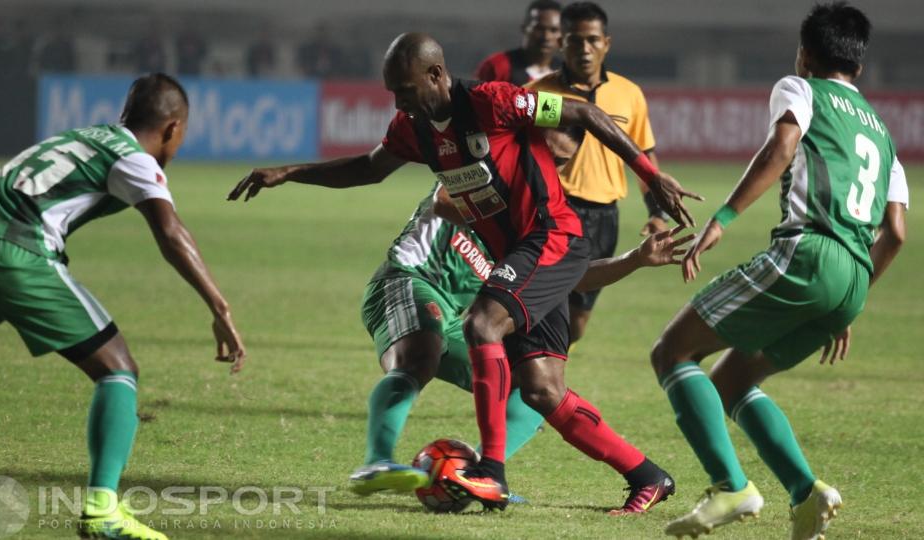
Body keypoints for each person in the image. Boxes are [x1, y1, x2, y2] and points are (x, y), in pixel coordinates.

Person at [229, 32, 700, 511]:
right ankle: (648, 475)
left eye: (405, 91)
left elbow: (584, 112)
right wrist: (290, 172)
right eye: (393, 92)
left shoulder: (492, 102)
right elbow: (369, 168)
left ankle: (490, 471)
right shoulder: (414, 128)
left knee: (481, 323)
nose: (399, 102)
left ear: (436, 74)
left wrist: (650, 174)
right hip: (527, 257)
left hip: (551, 235)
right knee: (541, 390)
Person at [648, 4, 907, 539]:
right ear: (857, 65)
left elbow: (782, 145)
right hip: (854, 279)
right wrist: (846, 299)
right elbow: (897, 232)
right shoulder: (884, 135)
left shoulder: (801, 88)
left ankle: (730, 487)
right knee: (734, 379)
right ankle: (806, 492)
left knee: (673, 351)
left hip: (808, 253)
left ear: (805, 53)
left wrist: (722, 217)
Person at [0, 73, 246, 540]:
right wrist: (220, 307)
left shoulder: (80, 137)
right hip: (19, 253)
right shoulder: (133, 157)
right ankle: (102, 511)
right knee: (118, 369)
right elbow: (171, 232)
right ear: (173, 128)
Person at [348, 184, 693, 515]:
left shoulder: (532, 229)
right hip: (408, 281)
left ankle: (483, 475)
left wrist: (634, 259)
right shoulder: (484, 180)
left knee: (529, 389)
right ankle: (377, 460)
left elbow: (573, 276)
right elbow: (442, 198)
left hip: (454, 319)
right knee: (419, 357)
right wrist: (510, 229)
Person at [527, 2, 670, 344]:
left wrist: (657, 213)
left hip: (605, 218)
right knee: (547, 310)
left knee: (576, 325)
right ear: (562, 43)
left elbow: (644, 158)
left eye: (592, 40)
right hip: (556, 211)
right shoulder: (540, 94)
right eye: (575, 41)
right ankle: (528, 378)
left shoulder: (628, 94)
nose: (584, 49)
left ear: (607, 42)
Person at [476, 0, 563, 86]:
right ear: (524, 28)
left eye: (554, 30)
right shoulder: (497, 66)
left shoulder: (565, 74)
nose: (546, 37)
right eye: (539, 29)